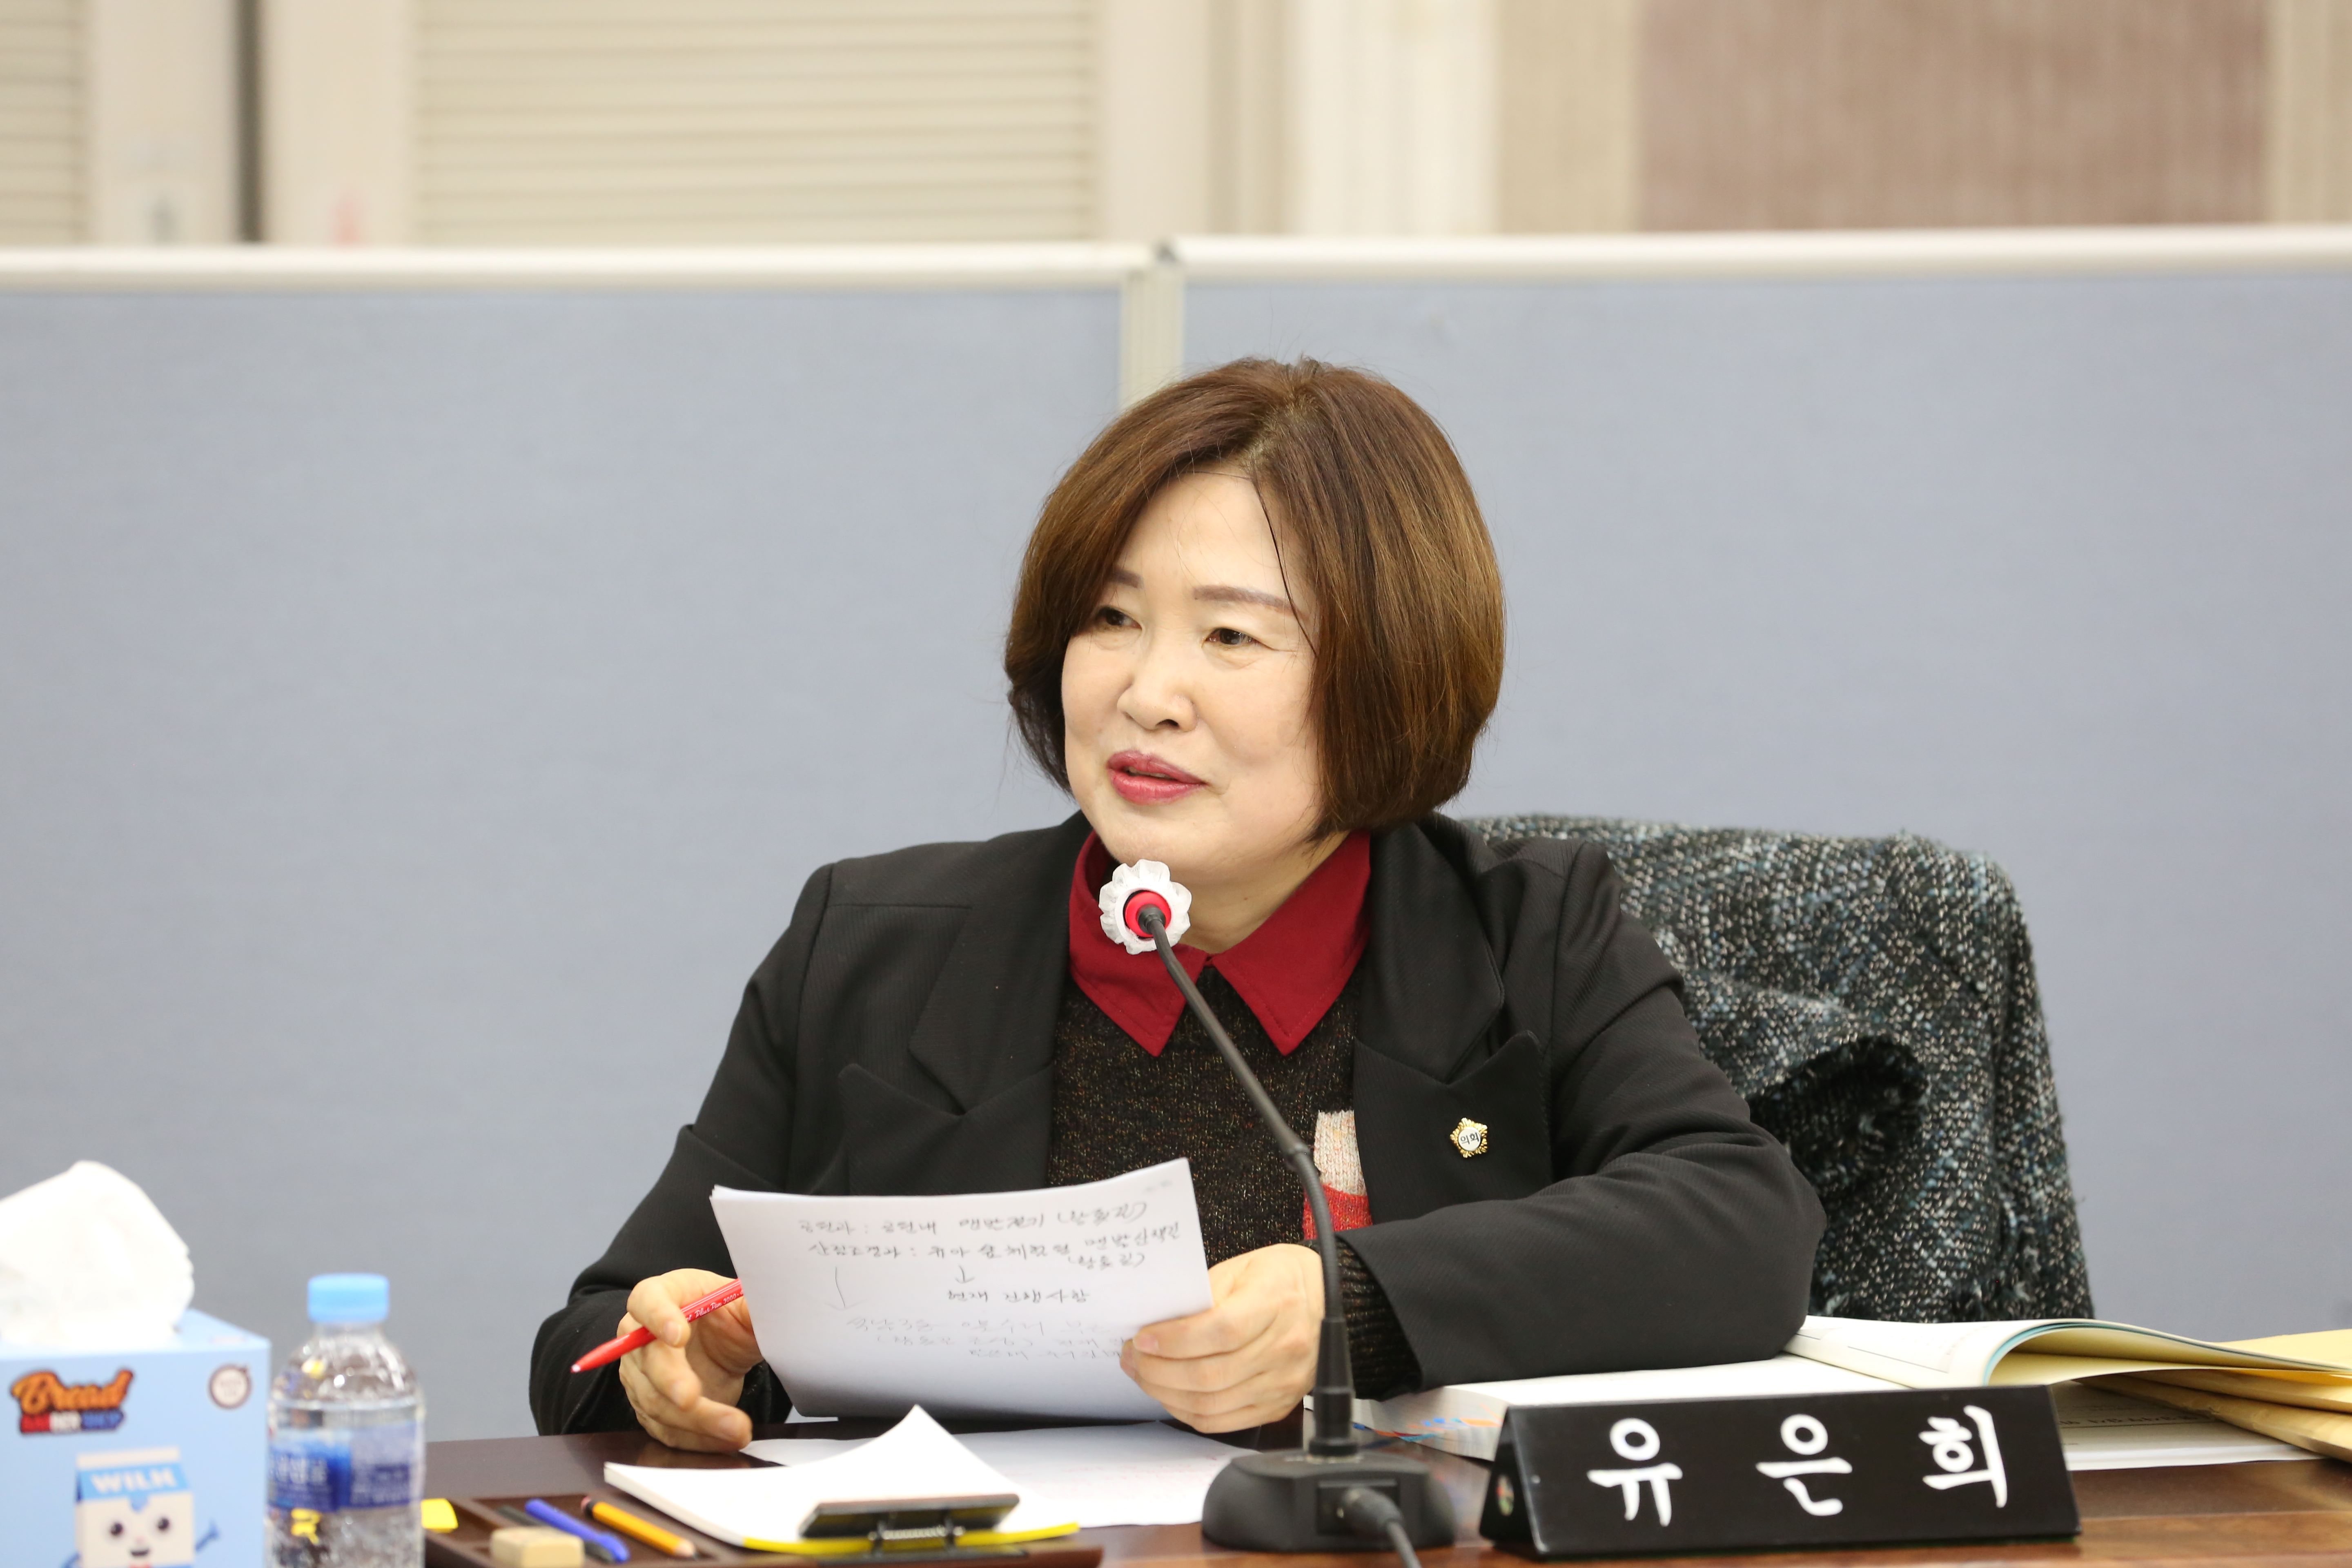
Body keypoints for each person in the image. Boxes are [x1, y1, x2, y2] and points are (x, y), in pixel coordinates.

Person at [529, 358, 1824, 1450]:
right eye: (1109, 618)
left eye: (1231, 637)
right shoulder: (869, 946)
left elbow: (1743, 1229)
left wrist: (1353, 1303)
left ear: (1390, 675)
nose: (1146, 694)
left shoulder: (1527, 932)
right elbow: (594, 1338)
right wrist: (678, 1363)